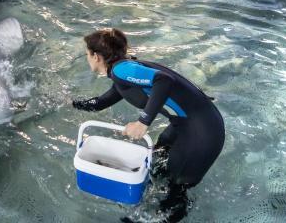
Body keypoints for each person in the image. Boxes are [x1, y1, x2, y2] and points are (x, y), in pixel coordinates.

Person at [73, 28, 225, 222]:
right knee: (158, 162)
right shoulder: (122, 72)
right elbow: (103, 101)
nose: (87, 58)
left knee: (176, 189)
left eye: (87, 54)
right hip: (189, 124)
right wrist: (70, 103)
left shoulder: (122, 70)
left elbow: (164, 80)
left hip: (202, 132)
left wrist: (143, 122)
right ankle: (149, 203)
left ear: (96, 56)